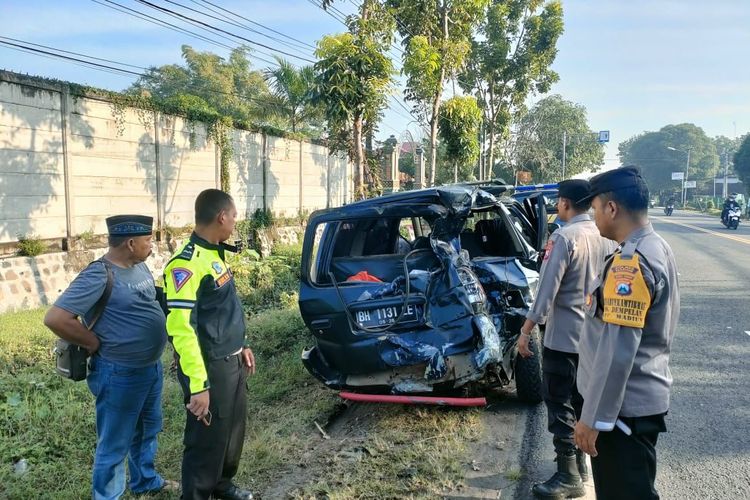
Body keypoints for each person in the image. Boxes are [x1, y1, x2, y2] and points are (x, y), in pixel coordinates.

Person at [44, 215, 177, 499]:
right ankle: (107, 496)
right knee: (115, 443)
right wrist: (91, 341)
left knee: (147, 429)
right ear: (130, 243)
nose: (151, 245)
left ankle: (145, 480)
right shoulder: (99, 274)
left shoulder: (139, 266)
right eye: (147, 240)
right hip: (119, 374)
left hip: (150, 368)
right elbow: (56, 318)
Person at [574, 166, 680, 499]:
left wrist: (592, 418)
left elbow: (617, 349)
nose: (593, 218)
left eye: (594, 209)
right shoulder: (654, 246)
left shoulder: (630, 264)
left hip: (621, 415)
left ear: (612, 208)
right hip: (631, 409)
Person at [518, 180, 617, 499]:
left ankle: (567, 475)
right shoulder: (606, 236)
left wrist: (526, 330)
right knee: (581, 401)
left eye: (559, 202)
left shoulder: (563, 237)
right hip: (593, 338)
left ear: (563, 203)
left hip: (562, 338)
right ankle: (581, 465)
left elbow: (546, 291)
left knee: (559, 404)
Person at [164, 189, 256, 500]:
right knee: (206, 440)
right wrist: (198, 385)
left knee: (231, 432)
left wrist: (241, 344)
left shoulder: (214, 253)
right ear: (221, 217)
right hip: (209, 366)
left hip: (232, 360)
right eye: (233, 217)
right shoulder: (185, 266)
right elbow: (182, 329)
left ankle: (222, 485)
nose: (234, 223)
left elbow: (222, 311)